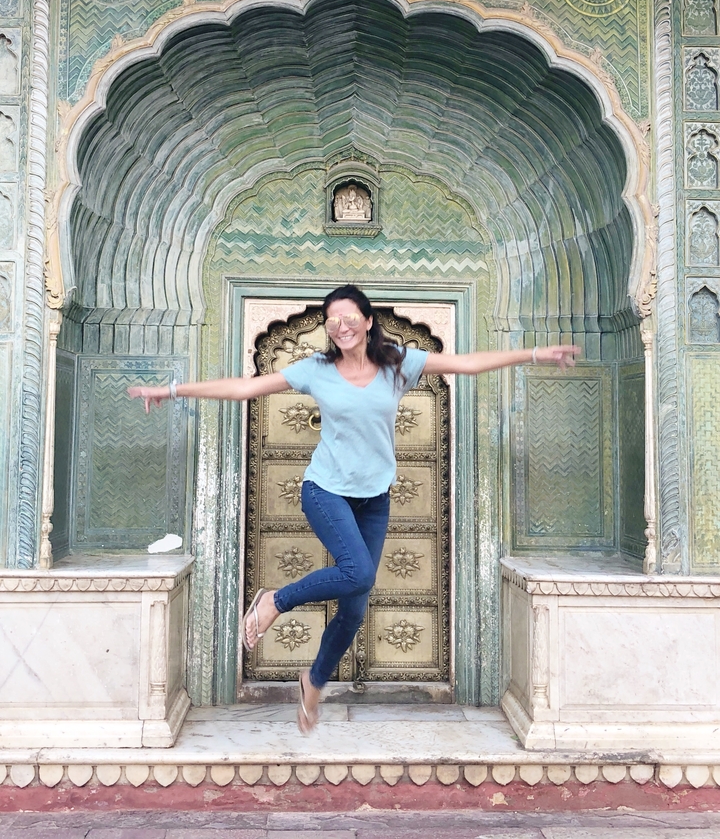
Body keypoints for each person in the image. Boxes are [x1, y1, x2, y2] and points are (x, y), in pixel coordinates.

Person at [128, 284, 580, 733]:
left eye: (349, 317)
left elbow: (468, 364)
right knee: (359, 572)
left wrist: (535, 355)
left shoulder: (399, 363)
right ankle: (273, 601)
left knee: (354, 609)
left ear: (367, 322)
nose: (340, 326)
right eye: (332, 319)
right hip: (325, 490)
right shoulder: (317, 369)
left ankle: (313, 680)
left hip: (373, 499)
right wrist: (170, 390)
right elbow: (245, 389)